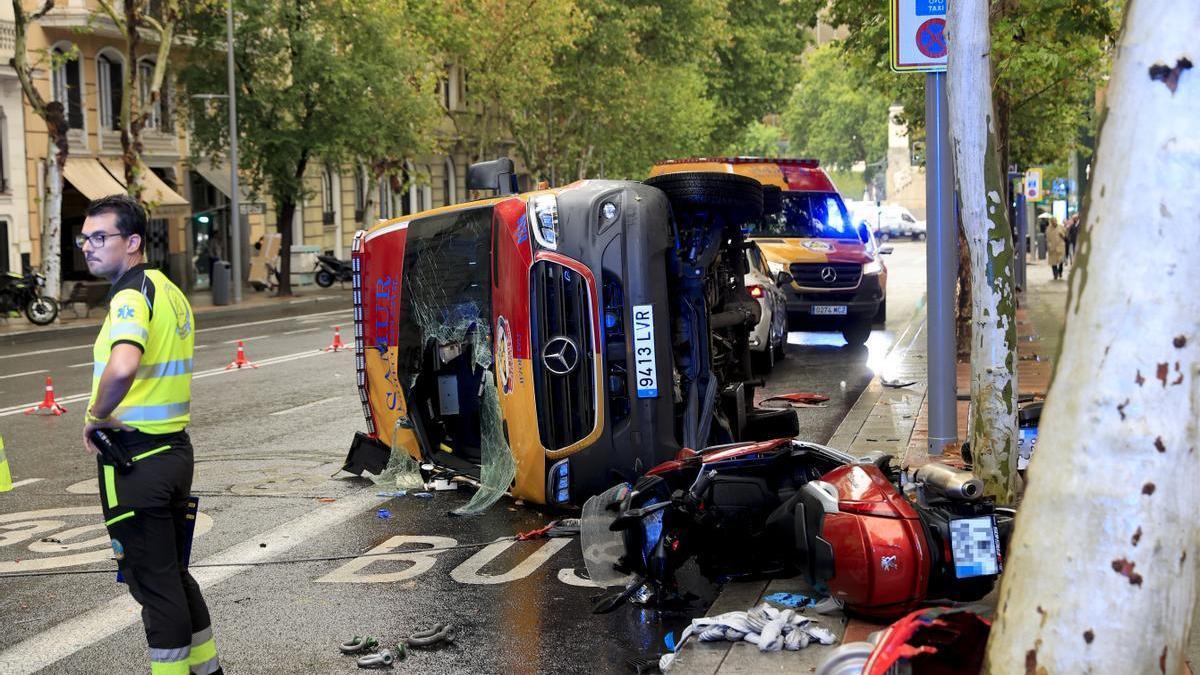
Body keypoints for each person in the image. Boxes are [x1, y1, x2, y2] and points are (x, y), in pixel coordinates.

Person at [77, 194, 222, 675]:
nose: (88, 247)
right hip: (174, 451)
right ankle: (207, 670)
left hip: (135, 460)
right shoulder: (168, 289)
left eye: (101, 237)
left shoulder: (129, 295)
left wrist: (96, 416)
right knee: (173, 578)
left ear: (133, 241)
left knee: (153, 587)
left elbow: (123, 365)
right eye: (85, 237)